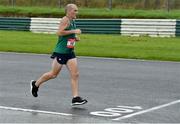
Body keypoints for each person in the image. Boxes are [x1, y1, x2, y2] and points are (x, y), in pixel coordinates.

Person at [30, 4, 88, 106]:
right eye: (75, 10)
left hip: (70, 51)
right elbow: (59, 32)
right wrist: (74, 31)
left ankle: (75, 98)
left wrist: (74, 37)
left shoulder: (72, 21)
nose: (77, 12)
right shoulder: (65, 20)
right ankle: (36, 84)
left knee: (75, 74)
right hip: (61, 52)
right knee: (53, 74)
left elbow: (68, 34)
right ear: (69, 11)